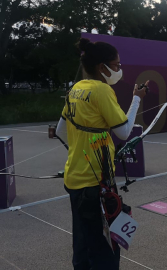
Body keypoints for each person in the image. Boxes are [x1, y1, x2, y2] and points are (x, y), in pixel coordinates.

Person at [55, 38, 148, 270]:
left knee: (83, 244)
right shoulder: (102, 90)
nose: (119, 70)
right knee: (105, 249)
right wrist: (137, 98)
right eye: (116, 65)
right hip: (96, 184)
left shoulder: (76, 88)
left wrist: (81, 149)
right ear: (101, 67)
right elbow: (124, 132)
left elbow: (60, 131)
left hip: (74, 180)